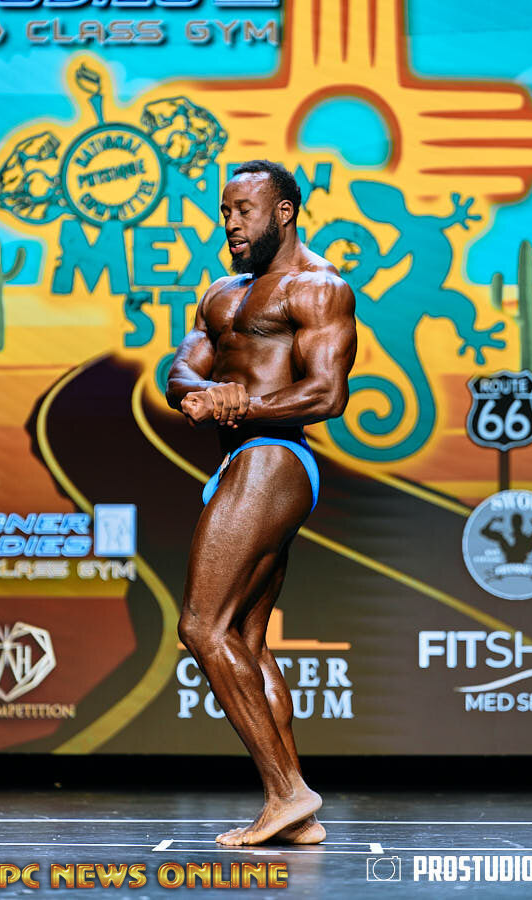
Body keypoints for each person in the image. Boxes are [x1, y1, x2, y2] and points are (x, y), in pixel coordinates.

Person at [166, 160, 357, 846]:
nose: (231, 224)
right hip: (239, 462)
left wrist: (241, 404)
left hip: (274, 458)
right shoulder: (221, 295)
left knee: (202, 627)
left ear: (284, 212)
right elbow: (181, 372)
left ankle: (286, 793)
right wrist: (205, 393)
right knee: (244, 640)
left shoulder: (319, 288)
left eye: (244, 210)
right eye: (225, 212)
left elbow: (327, 394)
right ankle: (296, 813)